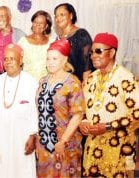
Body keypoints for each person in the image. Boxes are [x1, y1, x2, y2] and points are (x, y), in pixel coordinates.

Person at [80, 33, 139, 177]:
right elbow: (84, 109)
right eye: (92, 52)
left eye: (98, 51)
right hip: (93, 150)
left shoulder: (127, 78)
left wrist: (107, 127)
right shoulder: (90, 79)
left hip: (118, 148)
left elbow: (137, 114)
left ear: (112, 52)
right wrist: (83, 122)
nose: (93, 56)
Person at [0, 43, 37, 178]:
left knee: (23, 170)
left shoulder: (31, 81)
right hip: (2, 134)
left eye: (12, 59)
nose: (8, 62)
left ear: (20, 60)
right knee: (2, 169)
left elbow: (34, 111)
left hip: (23, 135)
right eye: (6, 59)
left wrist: (33, 136)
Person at [36, 39, 85, 177]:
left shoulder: (72, 82)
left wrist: (63, 141)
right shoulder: (43, 81)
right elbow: (39, 111)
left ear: (64, 60)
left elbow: (78, 115)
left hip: (66, 145)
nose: (50, 62)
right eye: (48, 58)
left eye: (55, 58)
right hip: (44, 143)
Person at [54, 3, 94, 82]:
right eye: (56, 16)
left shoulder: (81, 34)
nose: (58, 18)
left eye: (62, 14)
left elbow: (87, 65)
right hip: (63, 84)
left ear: (71, 16)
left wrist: (84, 88)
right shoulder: (58, 38)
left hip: (79, 84)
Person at [0, 6, 25, 74]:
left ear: (9, 17)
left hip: (13, 75)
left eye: (2, 16)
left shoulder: (20, 34)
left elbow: (25, 57)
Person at [18, 10, 53, 81]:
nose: (37, 25)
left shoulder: (52, 42)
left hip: (46, 83)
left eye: (41, 23)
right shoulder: (23, 41)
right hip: (27, 82)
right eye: (35, 22)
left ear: (46, 26)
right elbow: (16, 62)